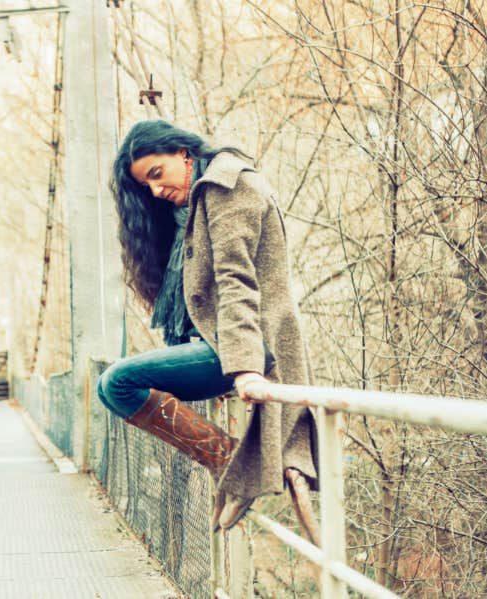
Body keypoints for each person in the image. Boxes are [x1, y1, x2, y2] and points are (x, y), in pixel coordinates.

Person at [97, 119, 319, 542]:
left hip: (251, 348)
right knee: (110, 388)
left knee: (119, 381)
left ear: (183, 152)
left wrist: (244, 370)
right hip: (226, 344)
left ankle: (231, 462)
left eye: (157, 175)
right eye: (147, 186)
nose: (156, 191)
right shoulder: (201, 199)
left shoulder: (226, 186)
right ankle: (231, 461)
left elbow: (237, 281)